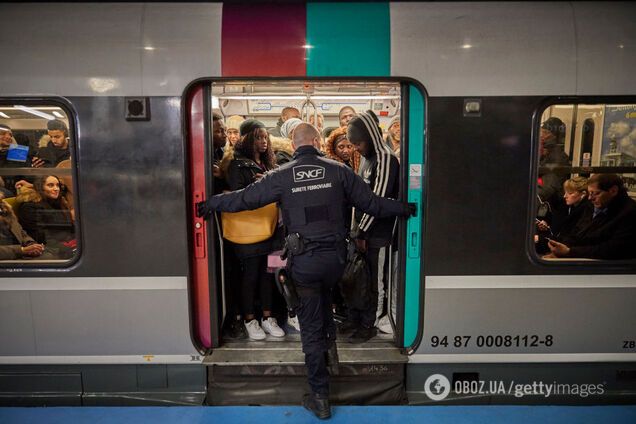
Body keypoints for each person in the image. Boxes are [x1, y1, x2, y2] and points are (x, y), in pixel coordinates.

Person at [196, 123, 414, 419]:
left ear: (295, 145)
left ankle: (320, 396)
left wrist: (210, 203)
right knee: (325, 307)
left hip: (305, 265)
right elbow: (372, 204)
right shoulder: (339, 171)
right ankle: (331, 350)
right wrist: (406, 207)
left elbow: (244, 199)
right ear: (316, 141)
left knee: (310, 327)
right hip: (336, 262)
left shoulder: (281, 176)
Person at [343, 111, 401, 342]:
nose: (356, 147)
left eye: (358, 142)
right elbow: (359, 200)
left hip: (379, 235)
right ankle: (359, 319)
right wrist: (355, 231)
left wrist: (361, 232)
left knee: (376, 284)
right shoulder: (367, 158)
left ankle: (370, 324)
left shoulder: (385, 159)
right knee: (360, 281)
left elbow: (377, 200)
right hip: (362, 233)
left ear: (370, 136)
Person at [225, 119, 285, 340]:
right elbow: (237, 197)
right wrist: (261, 187)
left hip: (272, 229)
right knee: (250, 275)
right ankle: (250, 319)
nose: (264, 142)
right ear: (247, 138)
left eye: (265, 137)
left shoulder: (269, 165)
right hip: (250, 230)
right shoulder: (237, 164)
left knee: (269, 274)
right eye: (258, 137)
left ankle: (268, 317)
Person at [547, 173, 636, 259]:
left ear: (613, 191)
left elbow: (613, 249)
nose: (590, 198)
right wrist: (558, 247)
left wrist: (569, 252)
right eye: (590, 193)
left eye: (595, 193)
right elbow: (578, 234)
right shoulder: (593, 206)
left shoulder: (629, 212)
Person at [16, 175, 75, 258]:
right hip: (50, 248)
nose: (56, 189)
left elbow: (69, 228)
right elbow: (40, 236)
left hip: (67, 242)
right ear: (40, 187)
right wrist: (67, 249)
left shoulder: (57, 202)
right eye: (50, 185)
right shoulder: (30, 206)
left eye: (57, 185)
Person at [537, 117, 570, 218]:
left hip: (551, 206)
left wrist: (536, 198)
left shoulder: (558, 156)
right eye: (541, 132)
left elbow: (551, 185)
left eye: (546, 132)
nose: (542, 135)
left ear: (554, 136)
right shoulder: (543, 153)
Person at [0, 193, 45, 260]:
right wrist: (21, 250)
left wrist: (31, 244)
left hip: (19, 255)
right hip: (6, 260)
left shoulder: (5, 210)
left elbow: (21, 233)